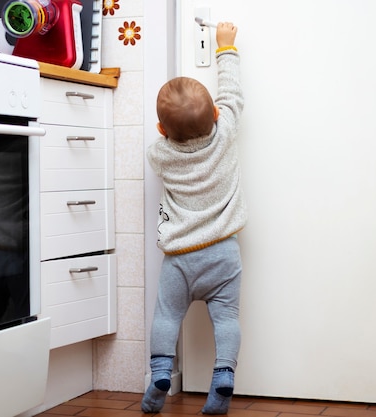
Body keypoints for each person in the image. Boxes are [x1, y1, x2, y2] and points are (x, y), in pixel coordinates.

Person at [141, 21, 246, 415]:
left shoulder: (159, 154)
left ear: (161, 130)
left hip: (180, 259)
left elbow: (167, 137)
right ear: (217, 114)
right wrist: (225, 47)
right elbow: (233, 95)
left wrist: (169, 131)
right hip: (224, 254)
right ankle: (223, 377)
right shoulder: (227, 132)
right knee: (228, 319)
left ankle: (160, 374)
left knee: (167, 315)